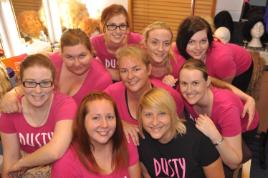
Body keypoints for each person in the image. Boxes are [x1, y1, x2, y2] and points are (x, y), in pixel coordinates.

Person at [0, 54, 77, 177]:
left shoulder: (65, 105)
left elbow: (55, 151)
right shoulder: (10, 110)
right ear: (20, 83)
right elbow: (10, 157)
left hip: (62, 167)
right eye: (30, 82)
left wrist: (22, 163)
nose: (38, 91)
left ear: (53, 84)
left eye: (45, 83)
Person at [178, 60, 259, 177]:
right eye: (184, 83)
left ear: (207, 82)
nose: (189, 90)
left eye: (195, 83)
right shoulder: (184, 94)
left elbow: (234, 162)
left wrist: (214, 134)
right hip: (213, 128)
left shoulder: (226, 108)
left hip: (244, 127)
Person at [0, 28, 112, 112]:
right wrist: (12, 94)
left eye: (82, 56)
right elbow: (30, 84)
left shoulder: (102, 79)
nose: (77, 63)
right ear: (61, 54)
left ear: (92, 52)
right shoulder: (52, 62)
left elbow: (98, 116)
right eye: (69, 57)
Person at [104, 45, 184, 145]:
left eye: (136, 69)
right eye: (124, 71)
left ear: (149, 69)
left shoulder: (170, 95)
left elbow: (181, 128)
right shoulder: (111, 94)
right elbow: (93, 117)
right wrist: (119, 123)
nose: (130, 76)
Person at [137, 88, 225, 178]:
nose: (155, 122)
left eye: (162, 114)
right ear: (140, 116)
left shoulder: (197, 139)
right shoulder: (140, 140)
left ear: (172, 114)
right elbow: (146, 173)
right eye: (148, 115)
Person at [51, 92, 141, 178]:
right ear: (82, 121)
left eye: (109, 117)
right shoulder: (67, 162)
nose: (104, 124)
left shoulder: (126, 143)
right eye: (96, 118)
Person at [175, 16, 253, 92]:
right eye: (191, 42)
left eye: (203, 41)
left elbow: (226, 88)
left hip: (242, 65)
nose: (198, 47)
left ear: (209, 40)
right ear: (182, 42)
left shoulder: (221, 59)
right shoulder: (178, 48)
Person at [90, 4, 143, 81]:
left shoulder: (138, 41)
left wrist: (103, 70)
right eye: (112, 26)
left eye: (122, 26)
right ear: (103, 27)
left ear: (128, 28)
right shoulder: (94, 43)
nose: (118, 31)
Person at [142, 21, 184, 87]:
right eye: (154, 42)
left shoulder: (180, 65)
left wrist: (174, 87)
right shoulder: (137, 64)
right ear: (145, 43)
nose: (160, 49)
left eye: (166, 43)